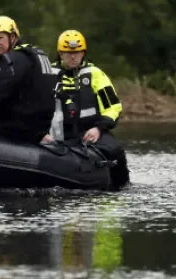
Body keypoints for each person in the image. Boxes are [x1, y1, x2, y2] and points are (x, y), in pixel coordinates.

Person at [46, 29, 130, 187]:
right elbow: (36, 108)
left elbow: (113, 107)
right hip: (57, 135)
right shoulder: (49, 75)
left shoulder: (95, 74)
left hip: (90, 133)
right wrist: (41, 133)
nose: (73, 56)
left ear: (83, 53)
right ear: (60, 53)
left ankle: (122, 187)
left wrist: (98, 129)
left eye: (77, 53)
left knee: (115, 151)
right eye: (68, 53)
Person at [0, 16, 58, 144]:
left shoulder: (13, 59)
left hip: (19, 129)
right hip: (40, 128)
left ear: (12, 37)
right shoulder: (36, 54)